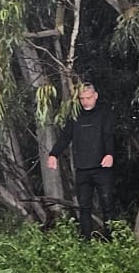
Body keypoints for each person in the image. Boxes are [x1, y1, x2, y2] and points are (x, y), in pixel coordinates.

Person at [46, 81, 117, 238]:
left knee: (107, 205)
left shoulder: (104, 112)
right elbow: (65, 137)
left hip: (102, 168)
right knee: (84, 207)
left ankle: (112, 241)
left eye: (88, 97)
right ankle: (86, 241)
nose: (85, 101)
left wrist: (109, 154)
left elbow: (108, 134)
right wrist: (53, 154)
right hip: (82, 169)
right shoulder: (75, 114)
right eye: (82, 98)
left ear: (95, 96)